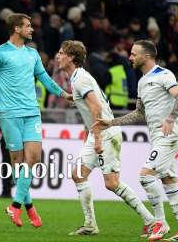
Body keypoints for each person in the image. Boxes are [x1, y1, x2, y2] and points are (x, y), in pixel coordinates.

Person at [0, 13, 72, 227]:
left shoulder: (32, 54)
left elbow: (44, 78)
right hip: (9, 114)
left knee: (34, 158)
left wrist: (64, 93)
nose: (32, 29)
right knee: (19, 163)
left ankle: (15, 206)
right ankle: (29, 207)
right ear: (16, 29)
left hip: (32, 112)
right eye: (28, 26)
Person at [95, 40, 178, 241]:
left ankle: (160, 222)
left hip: (169, 135)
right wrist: (111, 122)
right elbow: (139, 113)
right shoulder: (142, 81)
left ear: (146, 56)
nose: (130, 57)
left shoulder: (164, 75)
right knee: (169, 181)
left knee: (145, 176)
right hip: (157, 137)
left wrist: (170, 118)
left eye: (133, 54)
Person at [55, 41, 155, 236]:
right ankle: (90, 224)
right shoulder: (77, 78)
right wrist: (90, 134)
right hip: (97, 133)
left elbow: (96, 108)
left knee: (112, 183)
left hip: (107, 134)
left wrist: (98, 138)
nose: (58, 56)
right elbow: (89, 108)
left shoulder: (80, 80)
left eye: (61, 53)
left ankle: (150, 220)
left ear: (71, 58)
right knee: (78, 174)